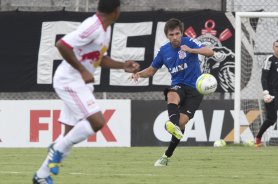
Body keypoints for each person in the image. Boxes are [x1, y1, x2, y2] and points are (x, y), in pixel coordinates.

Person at [32, 0, 140, 183]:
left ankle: (41, 176)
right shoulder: (93, 26)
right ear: (116, 11)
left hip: (78, 83)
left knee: (68, 134)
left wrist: (123, 65)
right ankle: (57, 148)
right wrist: (82, 70)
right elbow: (62, 45)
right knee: (97, 122)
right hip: (70, 81)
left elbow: (99, 58)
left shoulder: (106, 29)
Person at [131, 18, 214, 166]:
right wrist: (139, 74)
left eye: (177, 34)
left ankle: (166, 155)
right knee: (171, 94)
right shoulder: (164, 51)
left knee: (181, 124)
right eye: (171, 34)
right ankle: (174, 125)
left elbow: (210, 52)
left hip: (195, 90)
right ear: (167, 35)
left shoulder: (189, 42)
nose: (175, 37)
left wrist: (192, 50)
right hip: (179, 86)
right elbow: (151, 71)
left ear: (181, 33)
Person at [255, 40, 278, 147]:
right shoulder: (269, 60)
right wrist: (266, 93)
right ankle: (258, 137)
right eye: (277, 46)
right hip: (272, 93)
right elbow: (264, 78)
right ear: (273, 48)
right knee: (272, 119)